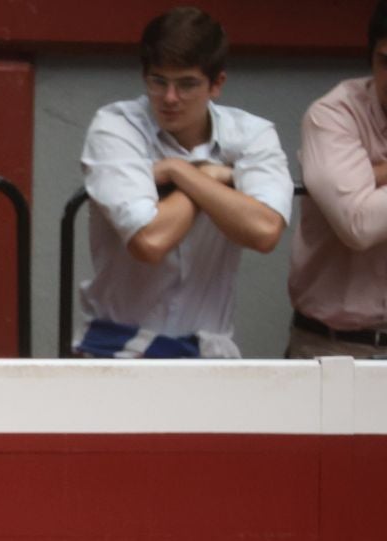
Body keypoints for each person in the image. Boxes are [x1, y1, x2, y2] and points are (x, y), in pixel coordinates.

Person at [75, 7, 292, 358]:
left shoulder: (251, 134)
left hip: (207, 353)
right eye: (159, 81)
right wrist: (204, 176)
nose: (170, 98)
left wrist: (180, 173)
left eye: (187, 83)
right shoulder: (116, 125)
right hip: (116, 346)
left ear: (216, 84)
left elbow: (265, 230)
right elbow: (149, 240)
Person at [286, 0, 387, 358]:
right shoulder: (333, 113)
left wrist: (374, 176)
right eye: (385, 60)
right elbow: (358, 223)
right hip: (334, 347)